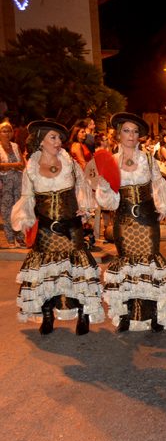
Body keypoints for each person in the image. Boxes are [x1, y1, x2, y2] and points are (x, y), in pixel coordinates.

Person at [11, 120, 104, 334]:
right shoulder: (31, 168)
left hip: (71, 228)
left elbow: (81, 186)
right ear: (40, 141)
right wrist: (24, 218)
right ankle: (47, 314)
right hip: (46, 229)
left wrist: (85, 207)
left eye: (59, 138)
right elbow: (27, 196)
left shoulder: (69, 163)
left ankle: (82, 313)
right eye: (52, 137)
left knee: (76, 271)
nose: (58, 141)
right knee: (46, 274)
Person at [95, 113, 166, 332]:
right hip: (124, 221)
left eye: (135, 131)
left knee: (149, 263)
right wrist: (104, 185)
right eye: (126, 130)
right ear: (118, 134)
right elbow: (110, 202)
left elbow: (158, 186)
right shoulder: (111, 161)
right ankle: (128, 312)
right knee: (128, 264)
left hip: (147, 220)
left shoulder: (149, 159)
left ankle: (152, 312)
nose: (131, 135)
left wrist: (163, 208)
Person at [0, 119, 25, 247]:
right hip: (5, 183)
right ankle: (10, 239)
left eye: (9, 131)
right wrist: (14, 165)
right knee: (7, 211)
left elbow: (22, 164)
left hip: (18, 182)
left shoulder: (15, 146)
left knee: (19, 210)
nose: (7, 133)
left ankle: (20, 238)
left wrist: (11, 166)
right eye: (4, 131)